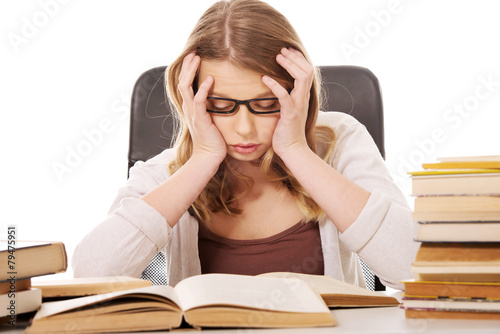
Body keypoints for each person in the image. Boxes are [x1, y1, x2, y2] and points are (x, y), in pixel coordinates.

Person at [72, 0, 419, 290]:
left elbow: (415, 269)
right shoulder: (170, 172)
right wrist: (203, 158)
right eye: (221, 106)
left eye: (266, 104)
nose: (244, 128)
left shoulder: (340, 140)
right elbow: (91, 275)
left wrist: (297, 151)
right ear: (191, 100)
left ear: (297, 93)